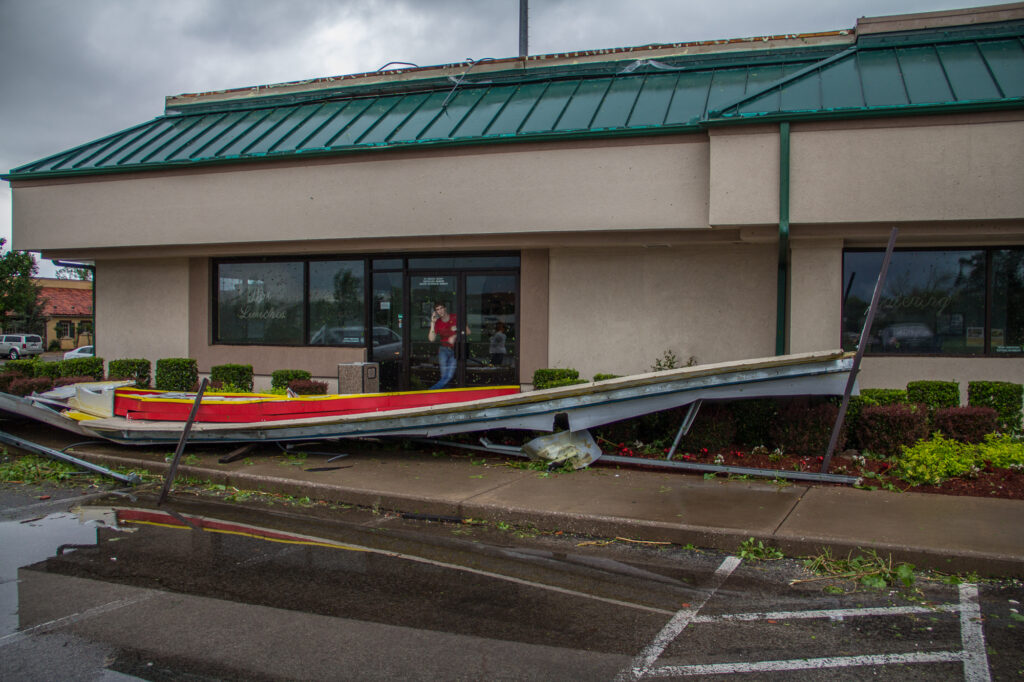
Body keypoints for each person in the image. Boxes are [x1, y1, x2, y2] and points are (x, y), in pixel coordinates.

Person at [428, 302, 459, 389]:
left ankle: (431, 390)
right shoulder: (437, 322)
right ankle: (445, 396)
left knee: (448, 376)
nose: (440, 311)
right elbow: (431, 339)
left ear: (445, 308)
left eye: (441, 308)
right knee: (445, 376)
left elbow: (466, 331)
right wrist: (432, 323)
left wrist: (455, 335)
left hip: (456, 349)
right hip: (443, 350)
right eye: (437, 309)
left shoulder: (455, 317)